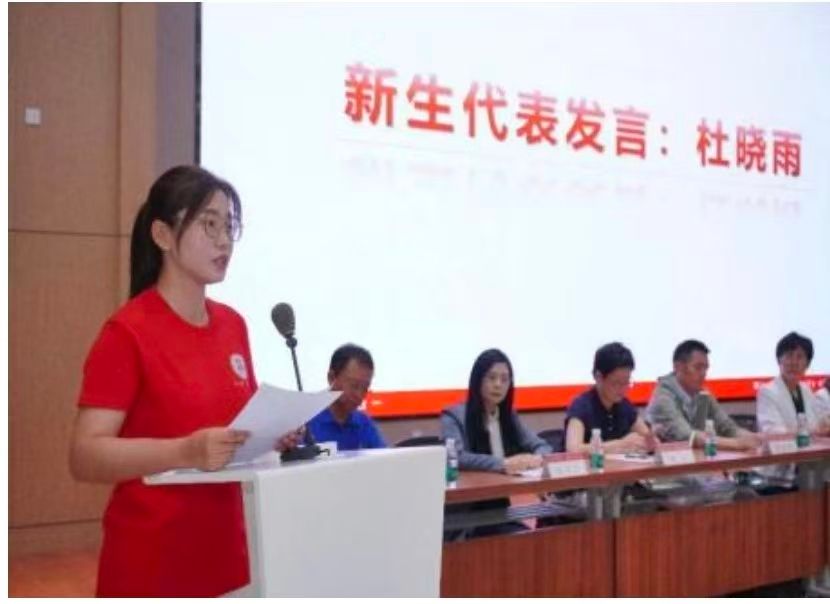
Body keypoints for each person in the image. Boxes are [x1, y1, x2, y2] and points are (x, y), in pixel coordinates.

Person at [69, 166, 302, 597]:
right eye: (209, 224)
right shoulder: (127, 332)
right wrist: (185, 451)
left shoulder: (233, 325)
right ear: (162, 235)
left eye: (229, 226)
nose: (224, 240)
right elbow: (85, 456)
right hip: (152, 562)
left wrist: (274, 436)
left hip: (228, 556)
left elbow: (233, 432)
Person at [441, 348, 551, 475]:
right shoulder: (454, 417)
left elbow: (543, 446)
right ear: (478, 380)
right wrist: (502, 464)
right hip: (477, 486)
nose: (498, 385)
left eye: (504, 379)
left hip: (509, 484)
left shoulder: (509, 415)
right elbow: (456, 457)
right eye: (492, 378)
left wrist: (535, 459)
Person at [646, 339, 760, 450]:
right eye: (698, 367)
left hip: (697, 460)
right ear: (678, 367)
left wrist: (754, 438)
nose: (703, 374)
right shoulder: (663, 397)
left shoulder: (703, 394)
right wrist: (736, 444)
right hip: (667, 461)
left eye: (706, 368)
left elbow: (727, 427)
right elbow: (688, 437)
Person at [756, 332, 830, 483]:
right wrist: (812, 431)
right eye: (789, 356)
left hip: (807, 464)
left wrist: (824, 425)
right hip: (778, 471)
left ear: (807, 364)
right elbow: (772, 432)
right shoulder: (767, 391)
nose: (794, 362)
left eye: (800, 357)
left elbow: (818, 424)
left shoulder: (806, 390)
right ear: (779, 360)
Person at [565, 342, 657, 454]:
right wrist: (621, 444)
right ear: (598, 377)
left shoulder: (625, 405)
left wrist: (650, 442)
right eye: (616, 383)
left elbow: (650, 439)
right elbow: (573, 449)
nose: (623, 389)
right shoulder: (581, 406)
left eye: (627, 382)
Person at [308, 343, 387, 450]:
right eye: (354, 386)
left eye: (365, 388)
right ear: (331, 378)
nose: (359, 395)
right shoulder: (306, 423)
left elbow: (383, 457)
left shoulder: (364, 424)